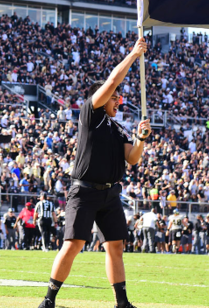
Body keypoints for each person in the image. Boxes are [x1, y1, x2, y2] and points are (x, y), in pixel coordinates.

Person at [38, 37, 150, 308]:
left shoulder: (118, 128)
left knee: (115, 246)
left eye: (119, 98)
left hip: (110, 193)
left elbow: (133, 159)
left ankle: (122, 303)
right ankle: (49, 299)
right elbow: (111, 81)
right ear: (100, 97)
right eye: (115, 97)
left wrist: (141, 138)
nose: (118, 101)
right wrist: (134, 55)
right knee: (74, 244)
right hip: (85, 191)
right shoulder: (90, 114)